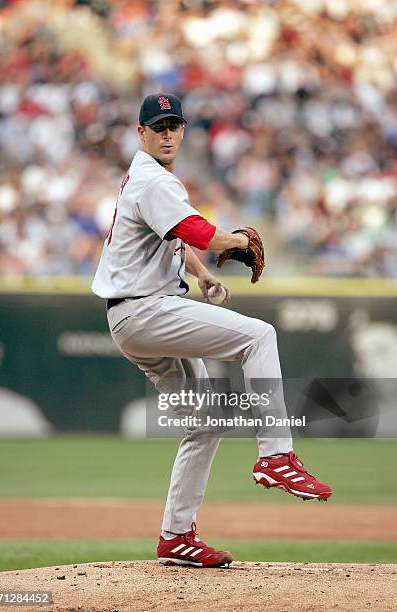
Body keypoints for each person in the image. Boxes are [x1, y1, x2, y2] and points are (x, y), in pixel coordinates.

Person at [92, 93, 332, 568]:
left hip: (133, 316)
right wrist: (238, 241)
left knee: (207, 419)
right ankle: (277, 455)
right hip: (146, 310)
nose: (165, 133)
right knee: (259, 336)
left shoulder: (148, 180)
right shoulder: (152, 179)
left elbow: (176, 237)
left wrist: (200, 275)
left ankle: (176, 536)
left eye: (173, 125)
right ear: (140, 133)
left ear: (182, 131)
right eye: (156, 126)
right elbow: (199, 231)